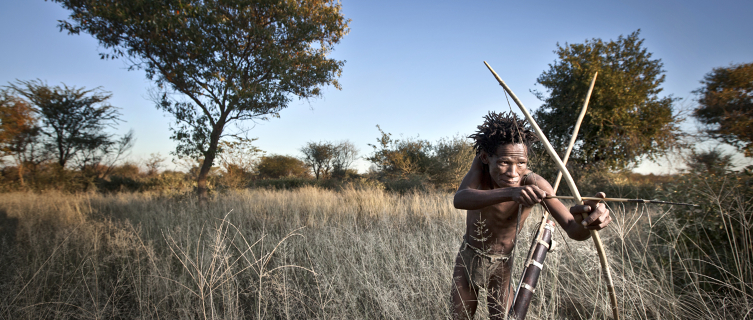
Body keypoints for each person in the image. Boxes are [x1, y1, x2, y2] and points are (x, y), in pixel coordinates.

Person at [451, 111, 612, 320]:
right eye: (504, 162)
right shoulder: (480, 170)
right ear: (485, 157)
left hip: (501, 266)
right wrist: (511, 193)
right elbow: (460, 199)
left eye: (521, 163)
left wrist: (588, 221)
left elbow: (574, 230)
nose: (513, 172)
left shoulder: (534, 183)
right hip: (468, 257)